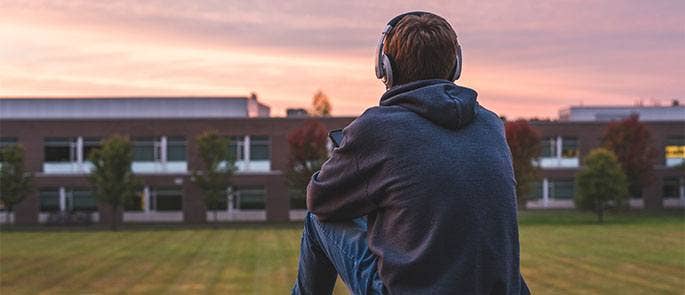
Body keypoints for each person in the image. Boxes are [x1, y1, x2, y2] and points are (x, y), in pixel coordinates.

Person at [292, 11, 530, 295]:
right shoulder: (490, 124)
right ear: (455, 65)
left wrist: (347, 155)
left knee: (317, 221)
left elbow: (320, 199)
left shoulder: (377, 127)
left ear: (385, 67)